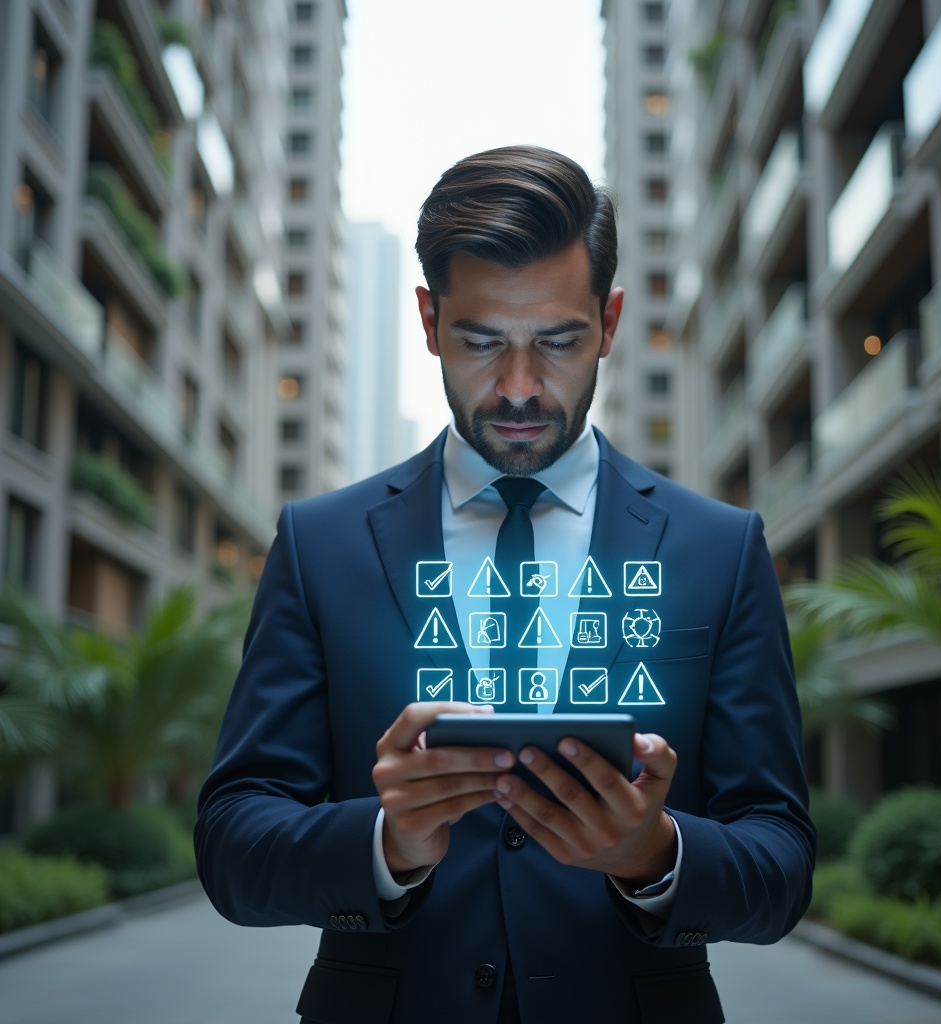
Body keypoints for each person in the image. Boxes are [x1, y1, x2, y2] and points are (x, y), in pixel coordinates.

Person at [195, 145, 815, 1024]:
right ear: (427, 319)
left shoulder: (720, 548)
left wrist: (655, 852)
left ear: (609, 321)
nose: (519, 388)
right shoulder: (319, 544)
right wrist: (386, 841)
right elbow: (231, 844)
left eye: (557, 343)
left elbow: (782, 860)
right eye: (481, 341)